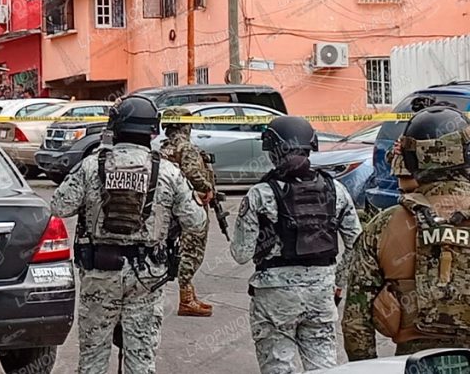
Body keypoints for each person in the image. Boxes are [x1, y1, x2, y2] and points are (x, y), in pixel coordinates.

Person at [51, 96, 206, 374]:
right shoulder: (168, 171)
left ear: (114, 127)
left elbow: (59, 205)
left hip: (100, 274)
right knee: (141, 360)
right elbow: (196, 222)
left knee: (92, 360)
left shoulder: (91, 166)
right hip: (146, 278)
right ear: (153, 131)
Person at [230, 116, 362, 374]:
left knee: (279, 367)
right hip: (322, 294)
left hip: (274, 297)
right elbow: (357, 244)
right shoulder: (337, 190)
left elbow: (241, 254)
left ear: (274, 152)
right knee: (324, 368)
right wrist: (338, 281)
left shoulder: (260, 194)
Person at [342, 105, 470, 361]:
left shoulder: (382, 226)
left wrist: (366, 367)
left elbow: (356, 322)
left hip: (414, 362)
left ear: (412, 160)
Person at [159, 106, 217, 317]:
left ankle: (189, 295)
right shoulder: (186, 147)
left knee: (176, 249)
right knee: (193, 250)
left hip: (169, 207)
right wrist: (206, 188)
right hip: (189, 207)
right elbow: (193, 172)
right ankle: (186, 298)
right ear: (185, 125)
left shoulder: (165, 148)